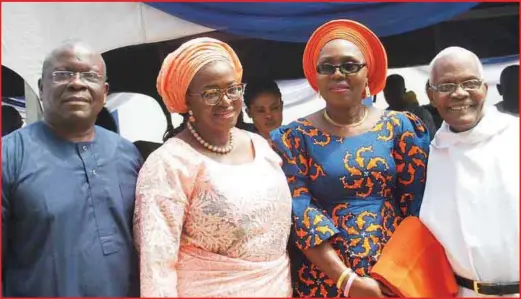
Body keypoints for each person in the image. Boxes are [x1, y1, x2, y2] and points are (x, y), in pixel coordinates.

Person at [271, 19, 430, 298]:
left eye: (350, 65)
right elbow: (299, 212)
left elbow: (416, 207)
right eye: (327, 67)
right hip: (325, 281)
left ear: (369, 72)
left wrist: (397, 272)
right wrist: (347, 280)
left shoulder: (401, 127)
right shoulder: (293, 138)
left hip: (392, 278)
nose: (338, 74)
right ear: (316, 76)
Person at [134, 37, 293, 297]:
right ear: (187, 100)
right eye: (210, 93)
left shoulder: (260, 145)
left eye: (233, 89)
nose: (226, 101)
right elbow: (157, 266)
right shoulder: (170, 163)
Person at [2, 42, 142, 297]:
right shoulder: (9, 156)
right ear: (42, 88)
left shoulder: (127, 154)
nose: (77, 83)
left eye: (89, 76)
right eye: (62, 74)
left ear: (104, 91)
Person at [420, 46, 519, 297]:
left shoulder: (515, 136)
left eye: (470, 83)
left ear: (485, 89)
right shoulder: (433, 154)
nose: (460, 94)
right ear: (431, 96)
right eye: (446, 86)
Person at [384, 74, 437, 139]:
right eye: (386, 92)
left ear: (404, 91)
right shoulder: (383, 118)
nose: (390, 95)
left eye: (394, 91)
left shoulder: (421, 114)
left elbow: (432, 141)